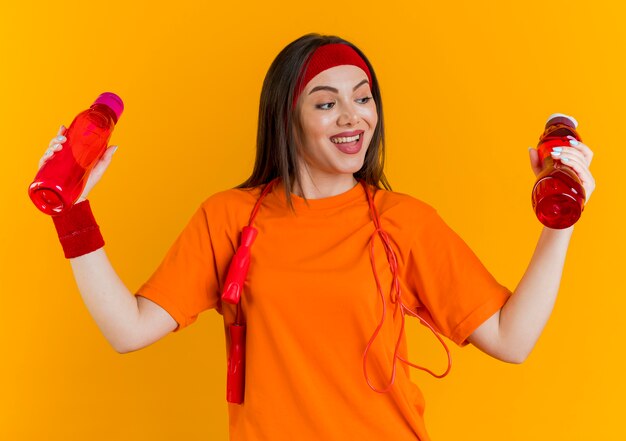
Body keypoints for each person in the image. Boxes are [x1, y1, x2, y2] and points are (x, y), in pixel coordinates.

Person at [39, 33, 596, 440]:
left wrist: (559, 222)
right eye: (326, 103)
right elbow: (127, 330)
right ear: (287, 118)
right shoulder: (229, 218)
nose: (353, 117)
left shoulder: (404, 220)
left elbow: (511, 338)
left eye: (363, 96)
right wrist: (73, 212)